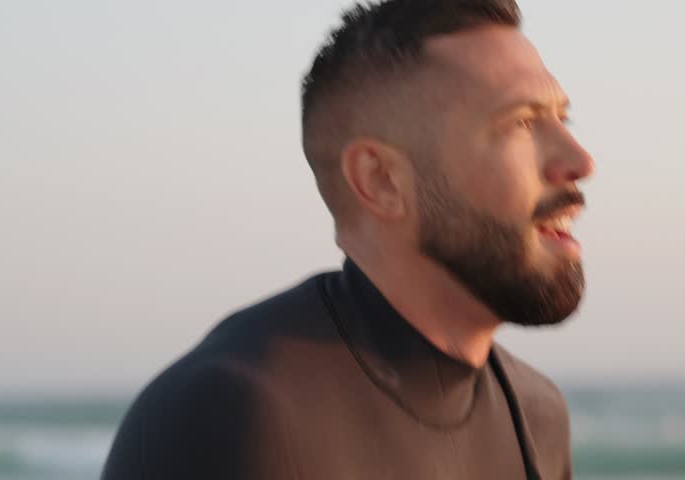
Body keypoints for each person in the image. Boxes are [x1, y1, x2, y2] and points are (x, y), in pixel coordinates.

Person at [102, 0, 594, 478]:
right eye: (522, 123)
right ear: (380, 181)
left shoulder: (537, 416)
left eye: (562, 119)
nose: (579, 160)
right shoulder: (228, 415)